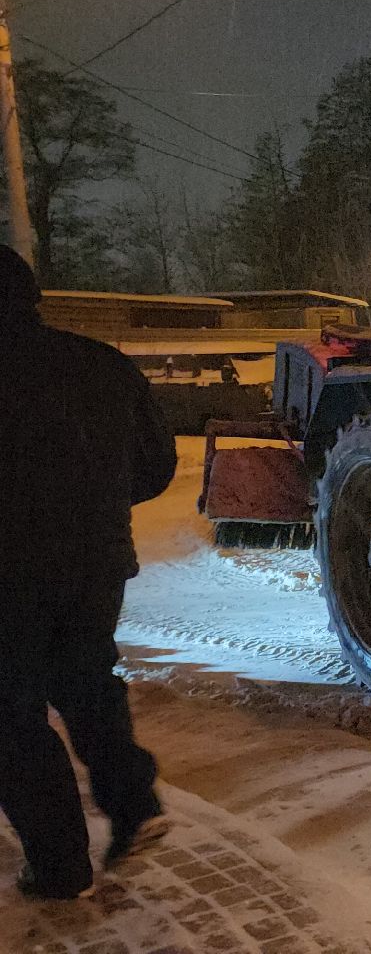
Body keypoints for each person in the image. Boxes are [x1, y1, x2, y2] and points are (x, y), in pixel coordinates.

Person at [0, 246, 176, 900]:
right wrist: (93, 504)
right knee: (85, 680)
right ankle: (134, 805)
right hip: (96, 564)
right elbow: (155, 465)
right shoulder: (102, 364)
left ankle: (58, 863)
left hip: (9, 572)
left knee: (11, 715)